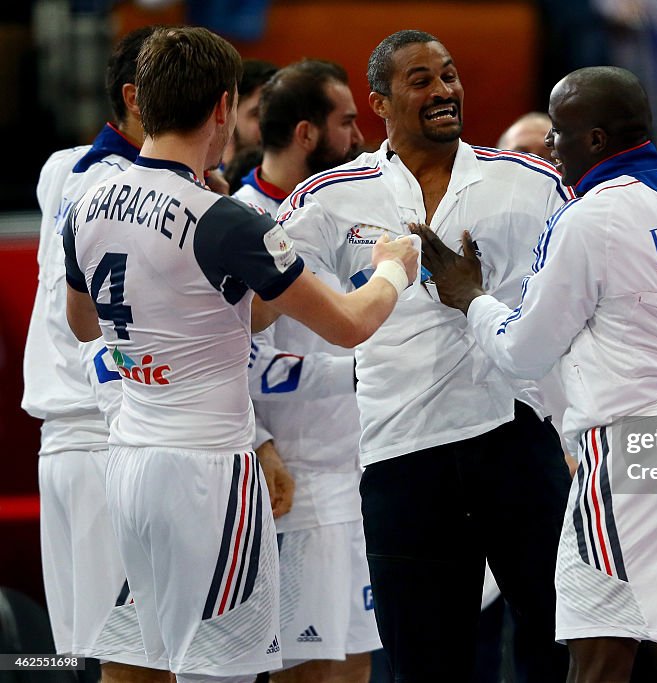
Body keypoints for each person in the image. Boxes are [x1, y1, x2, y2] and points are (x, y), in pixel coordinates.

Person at [62, 27, 417, 683]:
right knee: (217, 668)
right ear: (224, 107)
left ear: (143, 100)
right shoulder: (224, 219)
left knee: (136, 659)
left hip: (128, 459)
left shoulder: (86, 200)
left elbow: (82, 323)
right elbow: (347, 325)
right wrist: (393, 269)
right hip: (207, 473)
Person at [412, 65, 657, 683]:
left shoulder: (589, 219)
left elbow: (522, 353)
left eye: (558, 131)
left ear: (595, 140)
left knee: (596, 660)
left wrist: (468, 294)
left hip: (629, 452)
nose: (550, 145)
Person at [276, 29, 573, 683]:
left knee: (559, 646)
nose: (443, 90)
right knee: (424, 663)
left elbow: (592, 289)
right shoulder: (329, 198)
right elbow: (262, 304)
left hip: (515, 440)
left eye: (449, 75)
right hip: (400, 457)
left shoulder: (532, 180)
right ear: (378, 102)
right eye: (421, 79)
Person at [22, 25, 171, 683]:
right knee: (137, 660)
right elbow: (107, 340)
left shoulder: (64, 167)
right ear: (137, 99)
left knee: (84, 656)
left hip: (64, 445)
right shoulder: (129, 196)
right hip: (109, 441)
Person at [234, 58, 378, 683]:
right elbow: (239, 362)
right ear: (306, 134)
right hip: (296, 476)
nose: (359, 136)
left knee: (356, 662)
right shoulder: (237, 222)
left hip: (361, 466)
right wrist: (353, 375)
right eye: (346, 123)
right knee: (305, 670)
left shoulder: (357, 207)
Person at [222, 58, 277, 167]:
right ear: (229, 112)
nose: (271, 126)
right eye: (257, 114)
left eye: (277, 114)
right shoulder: (207, 178)